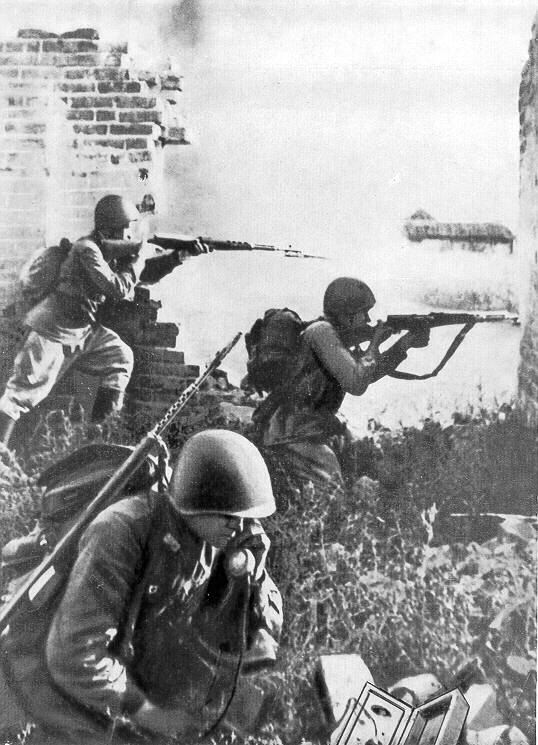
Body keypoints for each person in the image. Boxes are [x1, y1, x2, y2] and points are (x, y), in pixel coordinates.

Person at [0, 429, 282, 744]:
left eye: (247, 518)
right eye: (230, 517)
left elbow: (256, 642)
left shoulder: (216, 537)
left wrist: (251, 579)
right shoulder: (121, 530)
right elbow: (74, 652)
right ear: (195, 503)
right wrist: (143, 710)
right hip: (45, 678)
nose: (240, 527)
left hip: (123, 669)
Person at [0, 195, 206, 447]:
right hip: (53, 328)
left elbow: (143, 275)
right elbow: (116, 288)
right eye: (125, 228)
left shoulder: (111, 251)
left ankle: (99, 438)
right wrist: (139, 256)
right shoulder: (86, 249)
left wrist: (178, 256)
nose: (128, 234)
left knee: (120, 358)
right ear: (109, 228)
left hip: (84, 331)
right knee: (22, 393)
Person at [252, 276, 431, 495]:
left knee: (364, 465)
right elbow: (356, 384)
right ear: (346, 313)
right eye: (363, 313)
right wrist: (374, 342)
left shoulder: (331, 335)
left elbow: (365, 376)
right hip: (292, 432)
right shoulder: (321, 332)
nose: (368, 319)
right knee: (332, 495)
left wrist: (403, 345)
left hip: (311, 427)